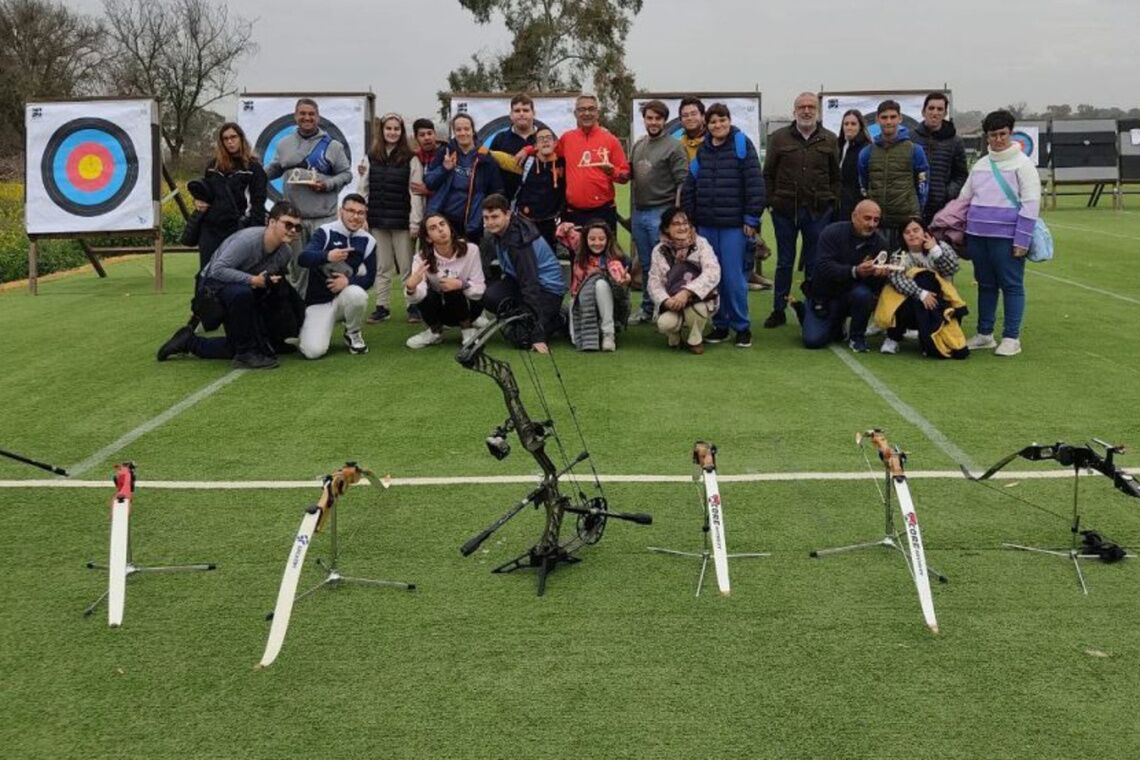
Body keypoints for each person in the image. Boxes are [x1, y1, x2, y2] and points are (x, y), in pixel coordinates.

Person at [157, 201, 303, 369]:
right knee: (242, 295)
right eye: (288, 224)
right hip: (213, 288)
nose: (293, 230)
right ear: (271, 222)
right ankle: (241, 353)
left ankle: (268, 340)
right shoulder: (248, 241)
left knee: (279, 292)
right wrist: (252, 280)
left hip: (247, 291)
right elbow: (217, 271)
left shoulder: (286, 252)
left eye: (297, 227)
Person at [680, 103, 765, 348]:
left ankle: (742, 327)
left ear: (729, 121)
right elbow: (690, 185)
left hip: (733, 227)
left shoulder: (741, 144)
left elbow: (755, 183)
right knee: (711, 277)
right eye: (714, 122)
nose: (718, 125)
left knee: (733, 278)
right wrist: (690, 221)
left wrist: (751, 218)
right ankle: (720, 324)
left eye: (722, 121)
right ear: (708, 124)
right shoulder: (704, 151)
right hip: (706, 226)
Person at [958, 109, 1040, 357]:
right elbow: (965, 198)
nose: (997, 139)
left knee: (1012, 285)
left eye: (1002, 134)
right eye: (992, 135)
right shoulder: (981, 165)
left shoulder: (1023, 164)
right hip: (978, 235)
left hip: (1007, 237)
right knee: (986, 285)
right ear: (986, 136)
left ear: (1011, 133)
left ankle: (1011, 337)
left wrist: (1022, 239)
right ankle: (985, 334)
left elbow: (1031, 203)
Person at [762, 92, 840, 329]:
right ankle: (779, 309)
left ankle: (813, 306)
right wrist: (772, 201)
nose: (806, 111)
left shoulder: (830, 139)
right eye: (801, 107)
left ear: (817, 111)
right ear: (794, 110)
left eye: (811, 107)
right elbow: (768, 174)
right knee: (784, 262)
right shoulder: (778, 138)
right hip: (785, 211)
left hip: (818, 212)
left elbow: (835, 176)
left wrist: (831, 202)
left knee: (815, 262)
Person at [357, 114, 424, 325]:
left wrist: (415, 221)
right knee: (382, 267)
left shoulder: (411, 158)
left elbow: (415, 193)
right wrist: (362, 216)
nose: (392, 132)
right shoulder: (370, 157)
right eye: (389, 128)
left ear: (402, 132)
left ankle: (412, 306)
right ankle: (382, 307)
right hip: (377, 220)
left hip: (403, 222)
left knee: (406, 267)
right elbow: (363, 188)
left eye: (397, 129)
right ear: (382, 130)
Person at [263, 98, 353, 253]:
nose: (307, 117)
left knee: (325, 266)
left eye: (311, 114)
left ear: (318, 117)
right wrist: (255, 173)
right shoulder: (284, 144)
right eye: (302, 113)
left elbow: (346, 174)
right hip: (294, 219)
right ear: (295, 116)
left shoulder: (333, 146)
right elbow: (276, 168)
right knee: (297, 269)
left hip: (324, 217)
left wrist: (327, 184)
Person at [480, 194, 566, 353]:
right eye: (486, 217)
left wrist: (538, 336)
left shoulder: (518, 241)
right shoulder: (503, 230)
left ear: (507, 214)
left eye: (495, 217)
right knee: (490, 296)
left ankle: (558, 319)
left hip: (547, 290)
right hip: (519, 281)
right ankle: (524, 317)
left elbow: (530, 282)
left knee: (523, 339)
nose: (490, 222)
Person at [294, 194, 377, 359]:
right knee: (313, 352)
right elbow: (303, 259)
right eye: (351, 211)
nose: (355, 216)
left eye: (360, 213)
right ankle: (312, 329)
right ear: (341, 211)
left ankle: (352, 332)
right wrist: (327, 256)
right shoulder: (326, 232)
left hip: (345, 299)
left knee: (357, 294)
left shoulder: (368, 240)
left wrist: (348, 281)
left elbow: (370, 278)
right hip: (319, 301)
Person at [628, 100, 689, 324]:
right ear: (644, 120)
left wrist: (674, 219)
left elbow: (683, 183)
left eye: (658, 118)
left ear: (664, 120)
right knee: (645, 264)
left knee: (664, 265)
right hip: (640, 213)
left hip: (661, 213)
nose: (653, 122)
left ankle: (666, 308)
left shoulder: (674, 146)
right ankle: (647, 307)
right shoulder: (638, 145)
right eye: (649, 118)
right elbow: (632, 177)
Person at [873, 216, 968, 358]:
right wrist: (921, 293)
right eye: (907, 232)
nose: (912, 234)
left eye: (916, 230)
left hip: (939, 300)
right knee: (906, 290)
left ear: (925, 231)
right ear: (902, 237)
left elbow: (952, 269)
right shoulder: (899, 255)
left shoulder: (941, 247)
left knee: (927, 278)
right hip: (910, 300)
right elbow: (897, 279)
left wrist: (935, 251)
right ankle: (894, 337)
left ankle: (928, 338)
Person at [801, 200, 890, 352]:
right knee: (813, 340)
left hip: (852, 295)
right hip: (824, 295)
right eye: (867, 218)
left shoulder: (880, 243)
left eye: (876, 220)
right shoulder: (832, 232)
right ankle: (809, 312)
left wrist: (880, 276)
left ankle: (857, 337)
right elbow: (823, 266)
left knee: (864, 295)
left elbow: (874, 289)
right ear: (854, 216)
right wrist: (854, 271)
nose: (872, 224)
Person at [532, 93, 629, 229]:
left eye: (591, 109)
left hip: (603, 211)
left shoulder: (611, 140)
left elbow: (625, 177)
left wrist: (613, 171)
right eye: (582, 109)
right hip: (573, 213)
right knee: (575, 251)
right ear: (575, 113)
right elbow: (547, 152)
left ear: (598, 113)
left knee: (603, 250)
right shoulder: (567, 139)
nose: (587, 113)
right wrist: (527, 150)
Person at [183, 122, 268, 273]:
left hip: (237, 229)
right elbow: (206, 193)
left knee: (236, 272)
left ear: (241, 139)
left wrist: (255, 233)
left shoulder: (254, 168)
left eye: (233, 137)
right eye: (225, 138)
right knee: (207, 273)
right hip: (211, 229)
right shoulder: (213, 166)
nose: (230, 141)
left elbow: (258, 203)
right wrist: (198, 200)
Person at [404, 213, 486, 349]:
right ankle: (435, 332)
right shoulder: (421, 258)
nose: (440, 229)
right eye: (433, 228)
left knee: (452, 285)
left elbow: (480, 289)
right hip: (442, 310)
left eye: (442, 224)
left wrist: (461, 284)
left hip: (469, 307)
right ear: (428, 238)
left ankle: (468, 330)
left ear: (449, 228)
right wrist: (411, 288)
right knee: (425, 294)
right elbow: (417, 298)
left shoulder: (471, 250)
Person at [646, 206, 721, 354]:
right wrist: (666, 300)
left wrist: (687, 292)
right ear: (667, 228)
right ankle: (675, 335)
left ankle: (695, 339)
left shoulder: (701, 243)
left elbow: (713, 272)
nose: (683, 227)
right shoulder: (659, 250)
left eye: (685, 223)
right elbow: (654, 282)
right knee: (665, 324)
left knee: (696, 309)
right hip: (672, 298)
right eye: (676, 224)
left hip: (697, 299)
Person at [857, 100, 930, 250]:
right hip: (877, 222)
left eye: (892, 117)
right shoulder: (866, 152)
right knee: (878, 268)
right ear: (877, 120)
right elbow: (863, 183)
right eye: (884, 117)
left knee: (906, 269)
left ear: (900, 118)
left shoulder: (915, 150)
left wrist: (916, 213)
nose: (888, 121)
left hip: (906, 222)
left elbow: (923, 183)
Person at [424, 113, 504, 244]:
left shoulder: (485, 157)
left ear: (473, 131)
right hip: (444, 220)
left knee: (470, 261)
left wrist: (488, 216)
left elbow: (497, 190)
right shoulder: (445, 152)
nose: (463, 133)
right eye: (458, 130)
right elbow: (429, 183)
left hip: (472, 222)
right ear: (454, 132)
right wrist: (444, 169)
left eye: (466, 129)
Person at [492, 125, 565, 248]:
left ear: (555, 143)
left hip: (549, 223)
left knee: (547, 260)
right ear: (535, 145)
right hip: (525, 221)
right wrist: (481, 150)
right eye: (541, 139)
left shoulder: (563, 163)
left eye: (548, 138)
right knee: (525, 260)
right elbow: (505, 160)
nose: (545, 141)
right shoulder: (527, 161)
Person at [568, 221, 631, 352]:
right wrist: (568, 227)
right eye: (592, 239)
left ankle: (608, 334)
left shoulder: (612, 259)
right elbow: (560, 233)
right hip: (580, 302)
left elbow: (618, 276)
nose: (597, 243)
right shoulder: (579, 251)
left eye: (601, 239)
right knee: (575, 340)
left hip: (608, 302)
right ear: (585, 239)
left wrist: (623, 280)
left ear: (608, 240)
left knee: (600, 284)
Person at [912, 93, 968, 224]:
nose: (935, 113)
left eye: (939, 109)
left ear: (945, 113)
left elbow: (961, 175)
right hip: (914, 207)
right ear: (923, 111)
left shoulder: (955, 141)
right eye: (931, 108)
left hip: (942, 209)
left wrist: (947, 193)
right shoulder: (911, 138)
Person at [489, 94, 538, 200]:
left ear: (533, 113)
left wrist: (530, 149)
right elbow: (490, 171)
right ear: (511, 115)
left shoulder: (544, 138)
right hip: (506, 204)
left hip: (538, 203)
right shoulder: (500, 139)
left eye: (525, 110)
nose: (521, 114)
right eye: (517, 111)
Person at [836, 109, 870, 220]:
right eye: (846, 124)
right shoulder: (838, 146)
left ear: (860, 126)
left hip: (856, 205)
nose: (849, 127)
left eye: (853, 124)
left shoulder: (866, 149)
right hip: (838, 205)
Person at [677, 97, 706, 162]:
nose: (689, 118)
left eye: (693, 114)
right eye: (685, 115)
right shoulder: (678, 146)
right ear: (681, 120)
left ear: (703, 116)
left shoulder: (714, 142)